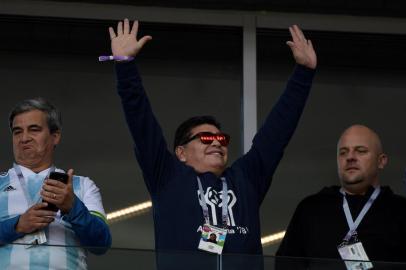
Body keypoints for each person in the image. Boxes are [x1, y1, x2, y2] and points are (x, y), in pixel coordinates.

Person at [109, 18, 316, 257]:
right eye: (206, 138)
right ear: (181, 153)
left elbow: (277, 133)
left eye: (222, 139)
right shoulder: (167, 177)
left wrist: (304, 74)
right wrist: (124, 65)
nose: (217, 142)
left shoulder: (245, 180)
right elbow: (141, 121)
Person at [0, 98, 112, 269]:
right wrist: (17, 225)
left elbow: (101, 243)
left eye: (34, 130)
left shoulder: (82, 185)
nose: (24, 138)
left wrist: (72, 207)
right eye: (17, 132)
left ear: (55, 136)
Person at [276, 125, 406, 269]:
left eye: (361, 151)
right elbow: (285, 265)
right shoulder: (311, 209)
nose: (350, 157)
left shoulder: (400, 210)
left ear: (381, 161)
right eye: (343, 153)